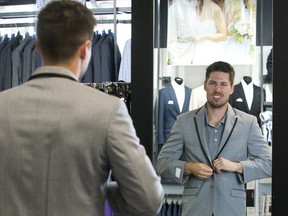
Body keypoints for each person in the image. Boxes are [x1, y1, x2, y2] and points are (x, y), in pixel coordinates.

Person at [0, 1, 164, 216]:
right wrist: (98, 191)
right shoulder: (108, 110)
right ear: (86, 48)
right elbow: (148, 200)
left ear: (38, 46)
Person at [155, 61, 272, 216]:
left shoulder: (248, 122)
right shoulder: (184, 121)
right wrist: (189, 167)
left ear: (231, 88)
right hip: (195, 208)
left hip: (232, 209)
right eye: (213, 83)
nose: (217, 89)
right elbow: (162, 163)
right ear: (205, 85)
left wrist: (236, 166)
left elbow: (268, 164)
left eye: (223, 84)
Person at [192, 0, 227, 65]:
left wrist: (203, 35)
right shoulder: (195, 6)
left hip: (211, 50)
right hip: (198, 50)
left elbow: (223, 36)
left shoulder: (216, 8)